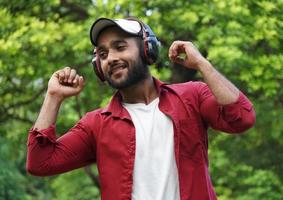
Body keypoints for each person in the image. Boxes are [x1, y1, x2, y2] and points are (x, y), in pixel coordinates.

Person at [26, 17, 256, 200]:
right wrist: (53, 97)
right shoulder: (96, 124)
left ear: (147, 49)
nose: (111, 58)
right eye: (103, 54)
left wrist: (202, 64)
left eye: (120, 47)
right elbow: (39, 163)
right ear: (98, 67)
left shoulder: (192, 96)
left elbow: (242, 117)